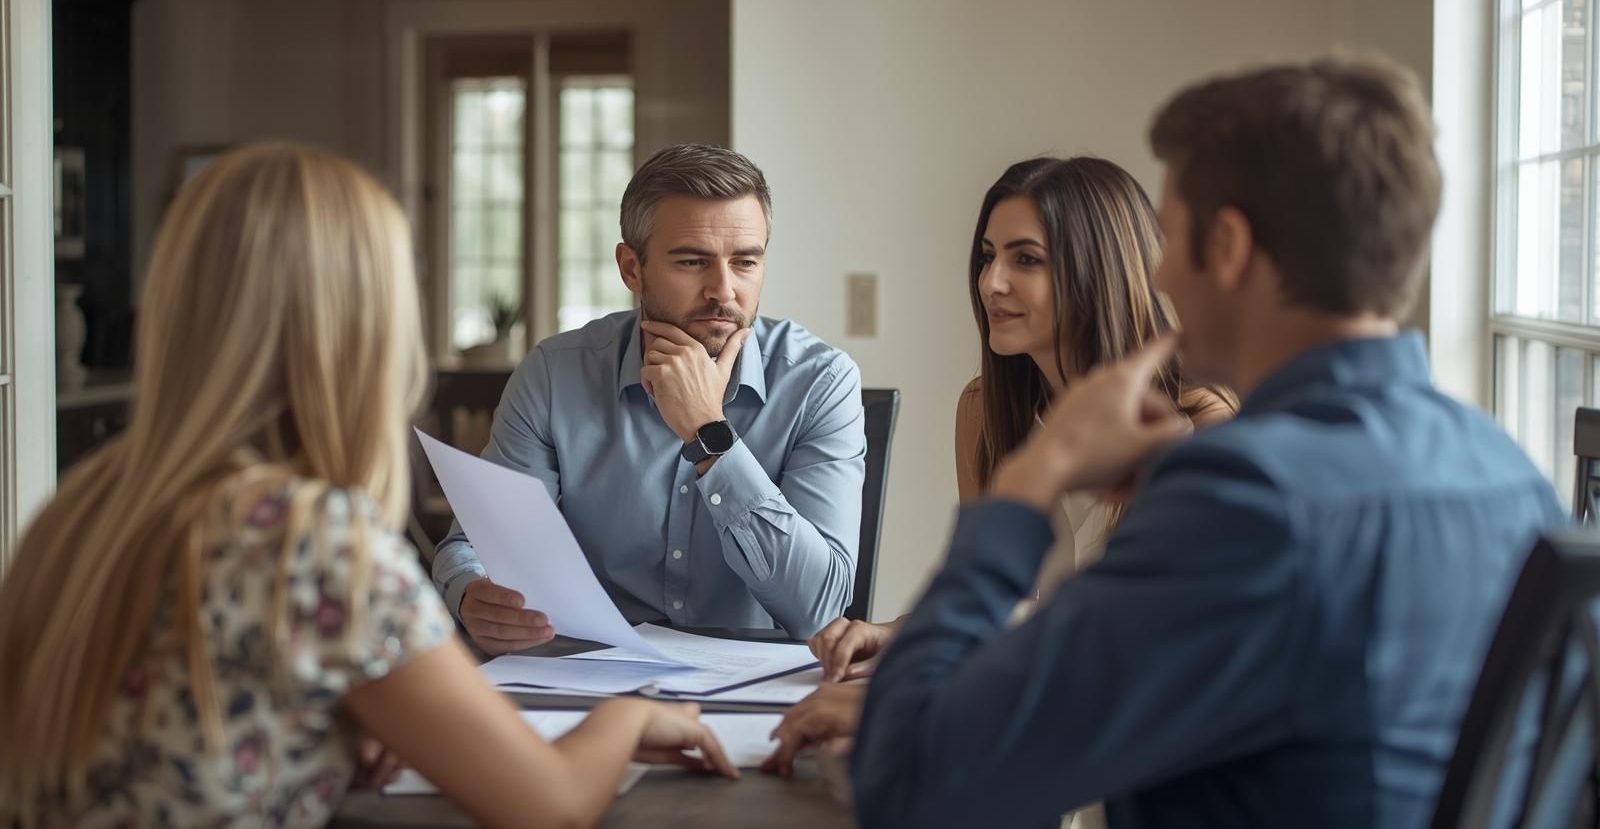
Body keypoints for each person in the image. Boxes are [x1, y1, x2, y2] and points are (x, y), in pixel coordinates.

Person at [849, 56, 1568, 828]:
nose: (1156, 274)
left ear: (1227, 246)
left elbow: (913, 778)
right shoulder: (1517, 481)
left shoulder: (1246, 498)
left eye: (1171, 236)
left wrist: (1035, 478)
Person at [0, 143, 737, 828]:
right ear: (362, 327)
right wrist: (629, 715)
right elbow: (550, 805)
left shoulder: (82, 507)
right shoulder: (307, 537)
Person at [763, 158, 1235, 780]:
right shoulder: (984, 410)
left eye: (1026, 260)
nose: (991, 282)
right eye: (987, 257)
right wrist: (904, 633)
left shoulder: (1200, 426)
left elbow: (1148, 662)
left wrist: (920, 705)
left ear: (1096, 270)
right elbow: (1005, 602)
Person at [431, 144, 867, 652]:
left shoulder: (821, 382)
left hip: (758, 686)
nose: (723, 290)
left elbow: (818, 611)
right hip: (587, 675)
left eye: (745, 262)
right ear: (631, 269)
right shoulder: (553, 375)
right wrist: (472, 594)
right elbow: (475, 547)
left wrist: (709, 434)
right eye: (692, 261)